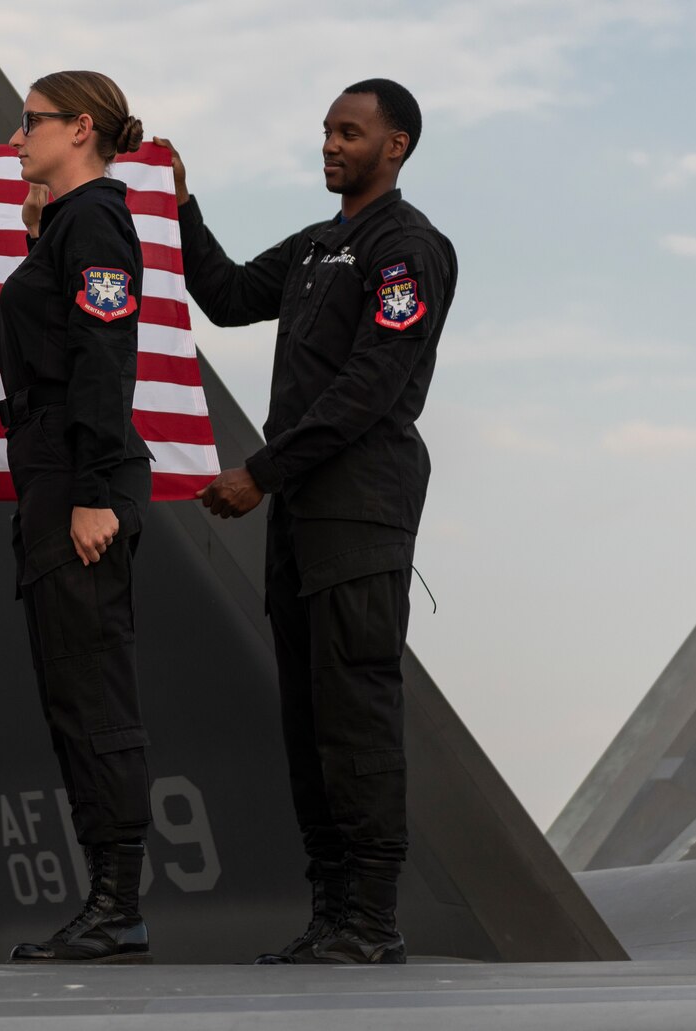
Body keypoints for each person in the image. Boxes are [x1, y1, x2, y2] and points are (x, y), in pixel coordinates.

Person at [162, 79, 457, 965]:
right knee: (308, 718)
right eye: (327, 129)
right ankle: (331, 915)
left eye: (350, 132)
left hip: (357, 507)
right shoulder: (319, 244)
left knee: (356, 712)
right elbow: (222, 293)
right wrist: (180, 203)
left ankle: (370, 918)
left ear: (395, 145)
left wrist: (261, 469)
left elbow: (370, 387)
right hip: (300, 511)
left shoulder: (408, 249)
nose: (330, 143)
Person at [0, 71, 156, 964]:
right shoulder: (68, 223)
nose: (16, 138)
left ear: (80, 127)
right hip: (55, 476)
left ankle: (117, 904)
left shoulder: (94, 220)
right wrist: (38, 231)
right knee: (71, 694)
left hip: (78, 479)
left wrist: (94, 488)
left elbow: (106, 354)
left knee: (96, 693)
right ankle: (105, 900)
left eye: (31, 123)